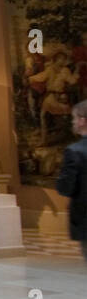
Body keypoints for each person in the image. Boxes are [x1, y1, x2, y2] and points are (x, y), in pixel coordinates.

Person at [54, 99, 87, 259]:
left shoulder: (75, 152)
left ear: (82, 121)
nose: (73, 122)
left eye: (74, 118)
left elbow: (65, 187)